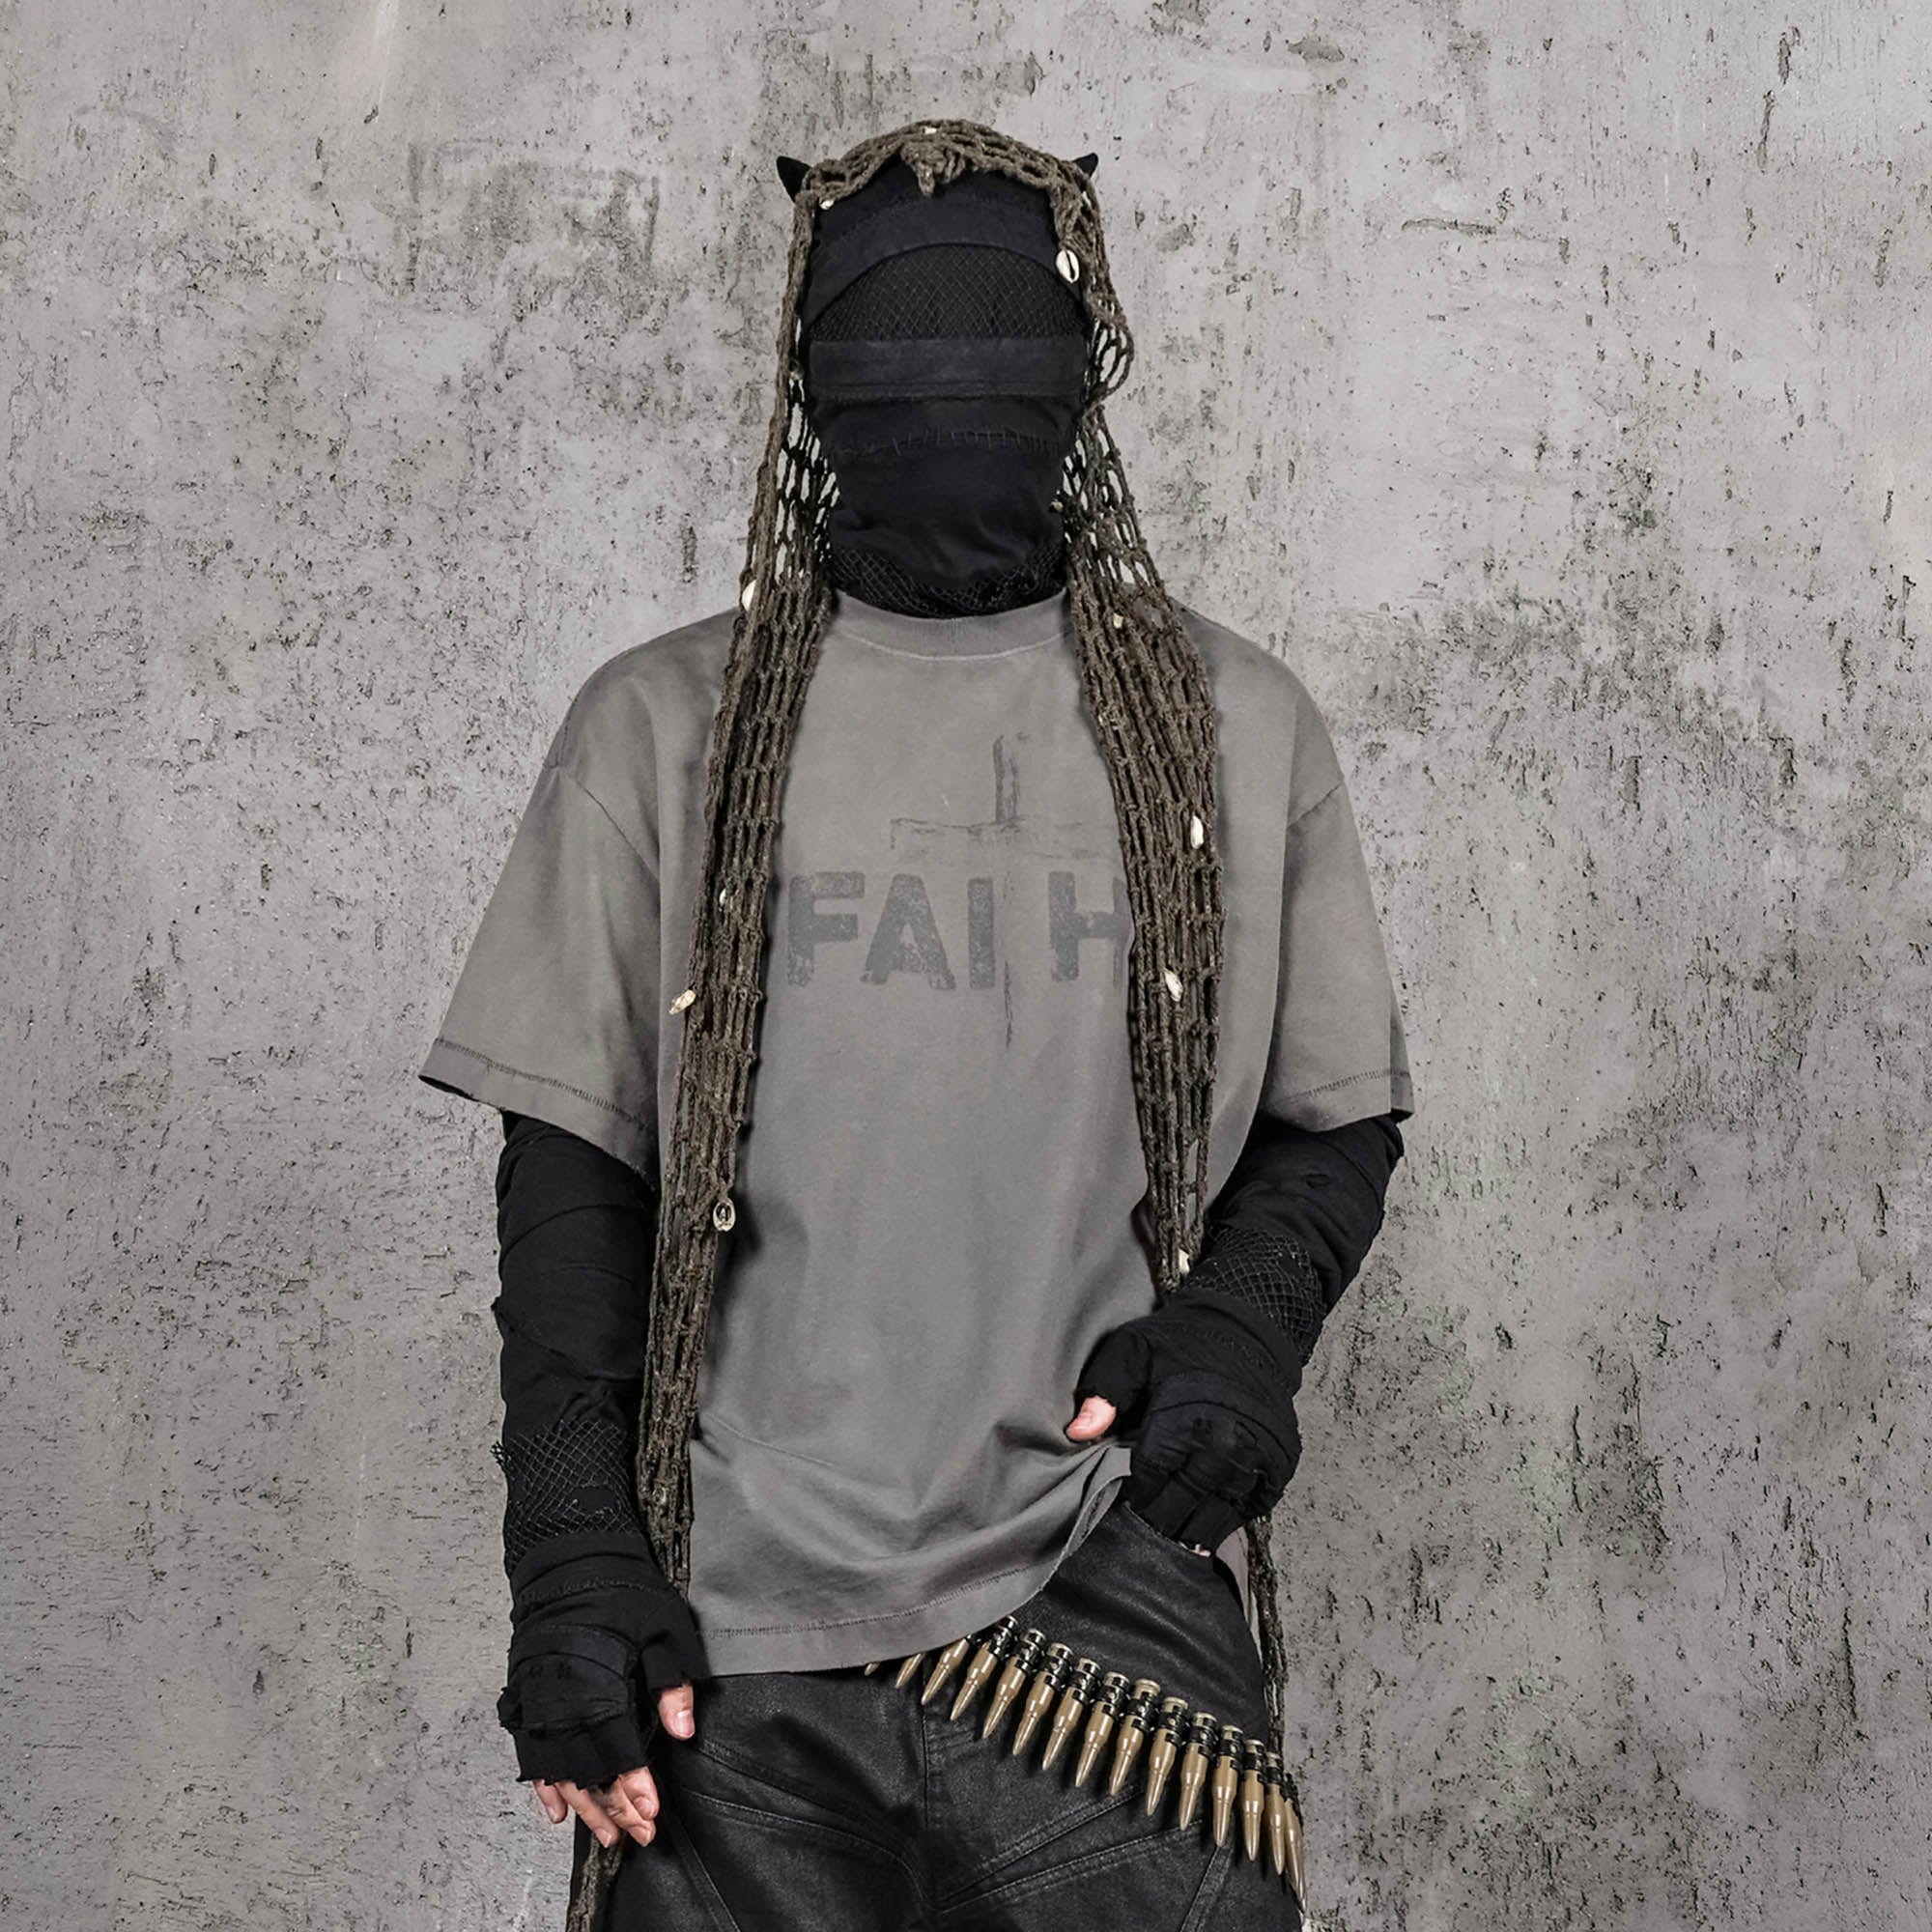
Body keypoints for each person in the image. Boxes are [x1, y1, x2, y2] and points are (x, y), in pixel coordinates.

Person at [419, 119, 1416, 1932]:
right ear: (813, 384)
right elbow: (573, 1191)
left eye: (996, 345)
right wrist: (569, 1550)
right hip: (735, 1632)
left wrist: (1243, 1330)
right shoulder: (661, 727)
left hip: (1107, 1590)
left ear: (1081, 377)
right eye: (895, 353)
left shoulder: (1236, 725)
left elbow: (1332, 1120)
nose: (947, 393)